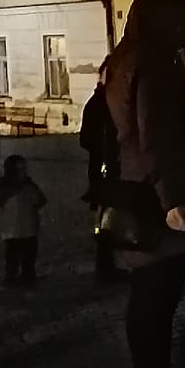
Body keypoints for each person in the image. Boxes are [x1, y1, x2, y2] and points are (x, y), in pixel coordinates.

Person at [105, 0, 185, 368]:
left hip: (135, 187)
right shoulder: (154, 63)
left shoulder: (123, 60)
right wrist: (173, 199)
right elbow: (156, 134)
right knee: (156, 303)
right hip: (156, 197)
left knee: (146, 300)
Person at [80, 62, 121, 280]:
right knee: (104, 217)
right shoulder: (97, 104)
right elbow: (86, 139)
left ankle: (108, 263)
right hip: (103, 169)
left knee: (112, 216)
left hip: (114, 167)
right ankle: (104, 266)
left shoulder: (114, 101)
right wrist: (104, 150)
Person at [0, 154, 47, 288]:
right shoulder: (27, 186)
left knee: (16, 257)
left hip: (14, 230)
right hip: (25, 229)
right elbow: (40, 200)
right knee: (24, 257)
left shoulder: (6, 187)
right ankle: (23, 279)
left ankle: (16, 278)